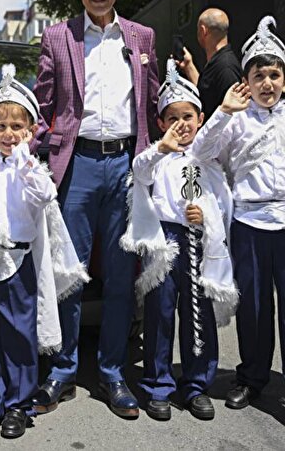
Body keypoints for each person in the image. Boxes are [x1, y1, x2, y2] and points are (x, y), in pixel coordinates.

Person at [30, 0, 159, 419]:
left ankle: (111, 372)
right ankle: (62, 371)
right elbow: (43, 106)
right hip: (77, 165)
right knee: (70, 272)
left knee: (123, 274)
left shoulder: (142, 37)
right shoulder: (57, 36)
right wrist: (38, 156)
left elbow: (150, 104)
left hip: (126, 164)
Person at [0, 66, 88, 439]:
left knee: (18, 335)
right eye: (0, 127)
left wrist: (22, 160)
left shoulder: (33, 170)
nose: (7, 135)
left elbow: (44, 195)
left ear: (31, 131)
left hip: (18, 265)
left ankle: (19, 404)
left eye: (17, 127)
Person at [122, 60, 238, 422]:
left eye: (187, 117)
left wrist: (206, 217)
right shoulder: (157, 157)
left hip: (198, 241)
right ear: (160, 123)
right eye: (171, 118)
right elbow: (138, 171)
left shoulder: (205, 156)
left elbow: (220, 199)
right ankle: (158, 384)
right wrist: (162, 148)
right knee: (159, 313)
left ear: (199, 118)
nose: (181, 125)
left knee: (197, 312)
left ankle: (195, 384)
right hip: (165, 242)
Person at [191, 16, 285, 411]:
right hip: (248, 223)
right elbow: (200, 152)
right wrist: (225, 111)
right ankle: (252, 379)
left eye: (275, 74)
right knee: (255, 309)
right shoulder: (236, 120)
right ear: (246, 79)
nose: (267, 83)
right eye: (258, 75)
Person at [176, 8, 242, 119]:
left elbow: (234, 115)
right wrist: (189, 67)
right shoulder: (219, 62)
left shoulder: (226, 67)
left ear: (203, 31)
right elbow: (206, 94)